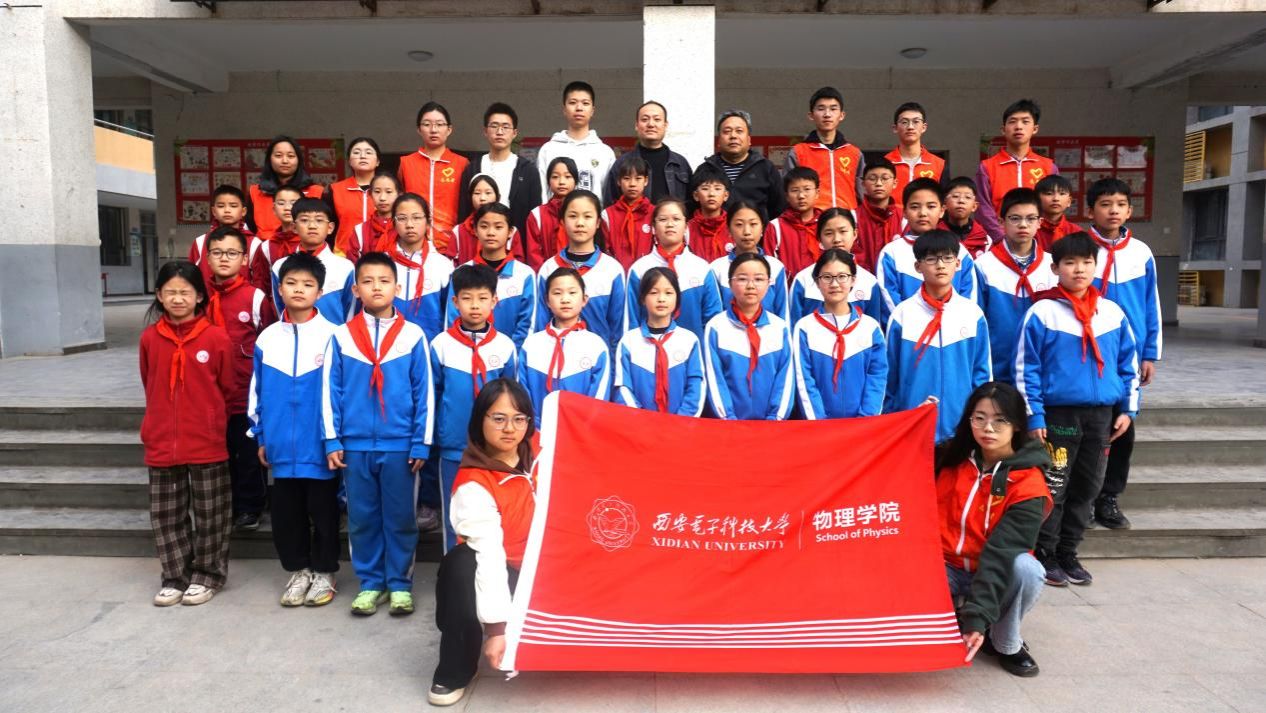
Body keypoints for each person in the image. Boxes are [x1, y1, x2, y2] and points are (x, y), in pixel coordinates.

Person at [1017, 231, 1139, 587]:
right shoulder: (1043, 313)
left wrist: (1127, 409)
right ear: (1055, 268)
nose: (1079, 269)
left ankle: (1069, 551)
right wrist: (1034, 414)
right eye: (1070, 263)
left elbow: (1128, 365)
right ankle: (1046, 552)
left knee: (1088, 485)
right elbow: (1026, 369)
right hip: (1059, 417)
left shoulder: (1112, 313)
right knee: (1054, 484)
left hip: (1101, 417)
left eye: (1087, 262)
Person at [322, 252, 434, 617]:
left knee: (401, 517)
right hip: (355, 446)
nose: (376, 288)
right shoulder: (341, 336)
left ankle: (399, 584)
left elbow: (424, 393)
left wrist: (420, 442)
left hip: (400, 445)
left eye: (384, 281)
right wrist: (332, 439)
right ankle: (371, 582)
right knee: (362, 517)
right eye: (367, 281)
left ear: (397, 288)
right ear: (355, 289)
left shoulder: (413, 336)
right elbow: (330, 391)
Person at [429, 378, 538, 708]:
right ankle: (456, 666)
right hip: (512, 573)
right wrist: (496, 629)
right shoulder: (474, 483)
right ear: (480, 420)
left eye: (519, 419)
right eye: (499, 418)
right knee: (461, 563)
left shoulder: (545, 451)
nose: (510, 429)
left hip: (557, 567)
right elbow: (490, 557)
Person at [936, 382, 1051, 678]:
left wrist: (977, 617)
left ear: (1017, 425)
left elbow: (1001, 553)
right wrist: (916, 422)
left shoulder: (1029, 483)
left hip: (991, 568)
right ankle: (951, 615)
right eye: (980, 418)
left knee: (1027, 569)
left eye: (1000, 420)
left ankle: (1005, 642)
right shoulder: (949, 458)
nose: (988, 428)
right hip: (943, 566)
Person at [248, 252, 340, 608]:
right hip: (281, 446)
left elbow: (340, 393)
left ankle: (325, 571)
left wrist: (335, 438)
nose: (299, 290)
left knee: (324, 512)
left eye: (307, 284)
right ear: (279, 289)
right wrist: (261, 434)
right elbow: (256, 391)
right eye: (291, 283)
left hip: (319, 445)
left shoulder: (334, 336)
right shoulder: (267, 339)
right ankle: (299, 570)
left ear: (320, 292)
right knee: (287, 514)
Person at [139, 261, 233, 607]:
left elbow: (226, 386)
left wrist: (209, 419)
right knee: (166, 515)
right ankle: (174, 576)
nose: (178, 299)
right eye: (171, 292)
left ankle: (208, 575)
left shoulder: (216, 338)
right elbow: (148, 380)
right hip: (162, 439)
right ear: (159, 295)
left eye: (185, 292)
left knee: (212, 513)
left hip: (206, 439)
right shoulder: (150, 338)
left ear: (199, 297)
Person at [1084, 178, 1161, 531]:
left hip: (1127, 355)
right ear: (1090, 211)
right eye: (1104, 204)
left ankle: (1109, 496)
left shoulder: (1141, 253)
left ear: (1130, 210)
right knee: (1088, 426)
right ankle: (1083, 497)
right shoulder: (1080, 249)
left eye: (1119, 204)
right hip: (1089, 349)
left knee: (1122, 425)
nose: (1112, 210)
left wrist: (1150, 353)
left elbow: (1151, 304)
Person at [429, 264, 519, 552]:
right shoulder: (441, 345)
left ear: (494, 301)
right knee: (454, 512)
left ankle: (494, 570)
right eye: (467, 298)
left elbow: (511, 399)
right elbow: (434, 394)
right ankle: (453, 570)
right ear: (455, 302)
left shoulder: (504, 346)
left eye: (482, 298)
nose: (475, 306)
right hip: (454, 446)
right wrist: (437, 436)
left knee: (494, 511)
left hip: (494, 449)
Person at [885, 230, 992, 442]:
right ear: (918, 266)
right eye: (931, 259)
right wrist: (893, 422)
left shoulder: (972, 314)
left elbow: (982, 374)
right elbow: (890, 377)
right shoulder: (902, 315)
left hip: (961, 428)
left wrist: (978, 420)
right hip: (913, 427)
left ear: (958, 264)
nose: (940, 265)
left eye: (947, 258)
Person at [203, 226, 276, 532]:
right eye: (217, 253)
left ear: (244, 259)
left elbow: (268, 339)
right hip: (209, 393)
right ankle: (225, 504)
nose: (224, 258)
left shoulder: (255, 297)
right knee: (219, 453)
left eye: (232, 253)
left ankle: (250, 506)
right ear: (207, 258)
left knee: (247, 453)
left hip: (245, 394)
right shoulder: (200, 296)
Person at [793, 249, 887, 419]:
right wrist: (820, 424)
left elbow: (877, 377)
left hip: (863, 426)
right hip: (819, 427)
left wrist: (865, 420)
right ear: (817, 282)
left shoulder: (870, 327)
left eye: (842, 276)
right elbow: (805, 380)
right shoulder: (804, 328)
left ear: (853, 280)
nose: (835, 284)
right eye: (827, 277)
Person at [975, 188, 1056, 384]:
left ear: (1040, 222)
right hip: (998, 370)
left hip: (1044, 370)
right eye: (1015, 218)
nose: (1023, 225)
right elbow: (976, 321)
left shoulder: (1052, 266)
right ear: (1001, 222)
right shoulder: (983, 266)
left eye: (1030, 219)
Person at [702, 253, 794, 420]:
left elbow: (785, 379)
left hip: (772, 426)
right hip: (728, 426)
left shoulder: (780, 328)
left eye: (758, 279)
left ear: (768, 284)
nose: (751, 286)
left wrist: (775, 418)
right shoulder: (716, 327)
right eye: (742, 279)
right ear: (730, 283)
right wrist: (728, 419)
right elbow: (715, 380)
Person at [876, 178, 979, 327]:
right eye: (915, 207)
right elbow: (889, 301)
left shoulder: (959, 251)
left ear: (942, 210)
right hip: (909, 334)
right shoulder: (891, 253)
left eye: (931, 206)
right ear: (904, 212)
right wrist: (917, 328)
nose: (923, 213)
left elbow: (969, 298)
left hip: (953, 332)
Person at [534, 190, 626, 352]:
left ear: (598, 222)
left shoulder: (612, 269)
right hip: (555, 358)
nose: (580, 223)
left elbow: (617, 327)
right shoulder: (549, 269)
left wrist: (611, 362)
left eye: (587, 216)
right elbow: (541, 322)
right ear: (562, 221)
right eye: (573, 216)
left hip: (599, 360)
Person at [518, 267, 611, 426]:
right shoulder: (532, 344)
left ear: (584, 299)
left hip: (580, 432)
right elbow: (522, 393)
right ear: (547, 301)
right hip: (536, 432)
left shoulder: (596, 346)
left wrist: (579, 429)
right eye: (557, 293)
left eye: (572, 292)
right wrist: (536, 428)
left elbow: (598, 400)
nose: (565, 299)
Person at [614, 267, 706, 417]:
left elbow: (696, 384)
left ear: (677, 298)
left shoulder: (689, 340)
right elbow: (622, 387)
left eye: (668, 293)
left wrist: (681, 421)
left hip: (682, 425)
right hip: (640, 424)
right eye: (653, 292)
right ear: (642, 298)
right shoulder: (629, 341)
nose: (661, 299)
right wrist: (643, 421)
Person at [627, 198, 722, 339]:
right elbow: (632, 318)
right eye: (663, 219)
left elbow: (713, 318)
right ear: (653, 228)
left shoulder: (701, 268)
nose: (670, 224)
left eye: (676, 219)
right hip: (648, 348)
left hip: (693, 349)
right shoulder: (639, 269)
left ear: (686, 227)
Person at [449, 203, 537, 348]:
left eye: (498, 227)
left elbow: (527, 323)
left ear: (510, 231)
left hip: (510, 356)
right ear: (475, 230)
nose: (491, 232)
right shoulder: (461, 273)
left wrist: (512, 353)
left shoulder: (525, 274)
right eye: (484, 226)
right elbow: (452, 318)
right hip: (466, 354)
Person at [975, 99, 1059, 243]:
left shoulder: (1049, 167)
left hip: (1041, 242)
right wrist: (1002, 238)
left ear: (1035, 129)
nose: (1019, 126)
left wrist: (1039, 238)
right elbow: (983, 208)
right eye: (1012, 121)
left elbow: (1055, 207)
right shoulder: (987, 167)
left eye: (1025, 121)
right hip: (999, 243)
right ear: (1003, 129)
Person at [265, 197, 355, 322]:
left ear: (330, 227)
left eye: (319, 220)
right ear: (294, 227)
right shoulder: (280, 266)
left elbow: (351, 312)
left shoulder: (345, 267)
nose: (312, 226)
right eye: (304, 220)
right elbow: (280, 308)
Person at [458, 103, 541, 236]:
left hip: (517, 243)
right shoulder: (472, 169)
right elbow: (464, 210)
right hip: (478, 242)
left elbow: (535, 215)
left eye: (505, 127)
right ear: (485, 131)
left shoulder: (528, 171)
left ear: (514, 133)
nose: (500, 132)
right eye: (494, 126)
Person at [398, 102, 470, 254]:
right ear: (419, 129)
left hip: (452, 246)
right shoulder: (406, 163)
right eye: (427, 124)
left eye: (439, 124)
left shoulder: (462, 164)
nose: (433, 130)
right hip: (413, 245)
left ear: (449, 129)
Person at [788, 208, 881, 325]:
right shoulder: (803, 279)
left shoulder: (869, 281)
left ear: (855, 234)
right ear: (819, 238)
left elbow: (873, 326)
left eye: (843, 231)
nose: (836, 239)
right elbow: (794, 326)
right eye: (829, 233)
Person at [382, 193, 455, 343]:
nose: (409, 224)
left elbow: (450, 316)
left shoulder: (443, 266)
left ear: (428, 222)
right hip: (388, 349)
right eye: (402, 218)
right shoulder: (382, 264)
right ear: (393, 223)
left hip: (430, 346)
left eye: (416, 218)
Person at [535, 81, 616, 202]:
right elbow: (541, 193)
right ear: (564, 109)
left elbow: (610, 197)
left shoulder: (605, 152)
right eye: (572, 103)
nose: (579, 108)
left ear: (592, 110)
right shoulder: (549, 150)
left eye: (585, 103)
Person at [785, 86, 864, 211]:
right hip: (812, 220)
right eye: (821, 109)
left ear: (842, 115)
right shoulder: (798, 152)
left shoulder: (854, 153)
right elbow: (788, 191)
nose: (827, 114)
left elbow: (863, 193)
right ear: (811, 115)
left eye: (833, 109)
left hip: (847, 219)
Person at [602, 100, 692, 205]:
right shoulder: (622, 163)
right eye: (645, 119)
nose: (651, 124)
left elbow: (691, 204)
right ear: (636, 125)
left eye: (657, 119)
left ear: (665, 125)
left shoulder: (680, 163)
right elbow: (611, 203)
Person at [711, 201, 788, 320]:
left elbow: (783, 313)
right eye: (739, 224)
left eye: (753, 224)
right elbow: (714, 314)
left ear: (762, 228)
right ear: (729, 230)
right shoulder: (717, 268)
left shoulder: (775, 267)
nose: (747, 232)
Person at [704, 110, 785, 221]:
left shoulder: (766, 169)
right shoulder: (706, 169)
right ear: (718, 141)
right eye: (727, 131)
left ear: (749, 139)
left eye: (739, 131)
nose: (733, 136)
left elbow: (779, 209)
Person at [248, 135, 325, 241]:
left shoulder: (316, 192)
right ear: (269, 159)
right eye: (278, 155)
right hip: (267, 249)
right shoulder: (255, 192)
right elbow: (250, 230)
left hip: (304, 249)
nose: (285, 161)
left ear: (299, 160)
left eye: (291, 156)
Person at [188, 184, 257, 286]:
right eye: (221, 206)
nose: (227, 210)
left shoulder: (254, 243)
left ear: (243, 211)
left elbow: (259, 280)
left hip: (243, 296)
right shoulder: (200, 242)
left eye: (233, 206)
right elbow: (191, 277)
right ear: (214, 211)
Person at [763, 167, 824, 279]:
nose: (801, 196)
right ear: (786, 196)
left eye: (807, 189)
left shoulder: (826, 224)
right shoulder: (775, 227)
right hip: (788, 287)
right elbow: (770, 266)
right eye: (795, 190)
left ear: (817, 193)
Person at [326, 137, 381, 256]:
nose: (362, 156)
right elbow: (328, 228)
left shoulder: (388, 189)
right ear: (349, 161)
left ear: (377, 161)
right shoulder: (336, 190)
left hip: (381, 254)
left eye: (368, 152)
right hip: (344, 256)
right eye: (356, 152)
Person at [450, 174, 522, 265]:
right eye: (477, 193)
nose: (482, 198)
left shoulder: (510, 230)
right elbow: (451, 264)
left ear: (497, 196)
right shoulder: (459, 231)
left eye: (488, 193)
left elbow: (518, 263)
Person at [885, 102, 946, 207]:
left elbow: (944, 201)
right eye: (904, 122)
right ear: (895, 128)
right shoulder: (885, 163)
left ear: (924, 127)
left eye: (916, 122)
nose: (910, 127)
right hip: (892, 218)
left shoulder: (939, 164)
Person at [525, 157, 579, 270]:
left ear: (576, 180)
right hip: (548, 275)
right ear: (548, 181)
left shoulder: (584, 212)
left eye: (568, 176)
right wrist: (546, 275)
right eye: (555, 177)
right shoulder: (537, 215)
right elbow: (534, 255)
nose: (561, 182)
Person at [600, 156, 654, 270]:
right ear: (618, 181)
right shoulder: (607, 215)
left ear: (646, 181)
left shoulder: (655, 213)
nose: (632, 184)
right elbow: (604, 250)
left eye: (638, 178)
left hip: (647, 273)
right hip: (616, 272)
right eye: (626, 178)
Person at [248, 184, 304, 291]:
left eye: (293, 203)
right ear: (274, 209)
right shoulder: (266, 246)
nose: (287, 208)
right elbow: (261, 283)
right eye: (281, 203)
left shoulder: (310, 242)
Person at [853, 158, 904, 274]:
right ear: (863, 184)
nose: (879, 183)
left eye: (885, 178)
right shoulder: (852, 217)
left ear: (895, 183)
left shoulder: (904, 217)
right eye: (872, 179)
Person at [345, 172, 400, 265]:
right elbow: (353, 265)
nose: (382, 198)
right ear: (370, 194)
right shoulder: (360, 230)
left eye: (389, 192)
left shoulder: (405, 227)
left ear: (399, 194)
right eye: (377, 192)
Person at [685, 163, 733, 263]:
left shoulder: (734, 227)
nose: (711, 194)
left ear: (726, 195)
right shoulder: (686, 229)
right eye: (705, 189)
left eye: (717, 188)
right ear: (696, 195)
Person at [939, 177, 990, 258]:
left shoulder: (985, 239)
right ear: (945, 204)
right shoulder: (934, 234)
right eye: (955, 196)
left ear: (974, 206)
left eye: (968, 197)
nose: (961, 201)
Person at [1034, 174, 1080, 250]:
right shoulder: (1031, 228)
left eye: (1062, 193)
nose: (1056, 198)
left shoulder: (1075, 231)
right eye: (1049, 193)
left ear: (1069, 201)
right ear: (1037, 199)